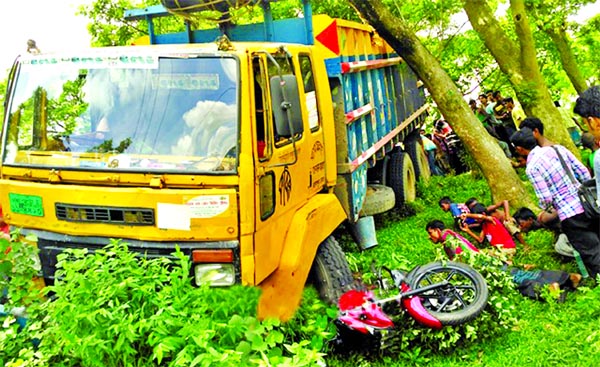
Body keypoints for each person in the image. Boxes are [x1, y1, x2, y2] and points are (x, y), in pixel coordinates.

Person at [510, 123, 600, 279]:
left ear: (519, 149)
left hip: (570, 214)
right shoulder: (557, 149)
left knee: (591, 252)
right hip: (588, 204)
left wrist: (546, 208)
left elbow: (546, 198)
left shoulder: (532, 168)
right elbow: (584, 173)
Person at [425, 220, 581, 300]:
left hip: (481, 265)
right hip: (485, 258)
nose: (430, 237)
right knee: (516, 272)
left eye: (430, 233)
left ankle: (547, 289)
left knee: (515, 281)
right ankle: (566, 278)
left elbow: (458, 262)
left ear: (437, 230)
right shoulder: (452, 233)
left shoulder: (447, 241)